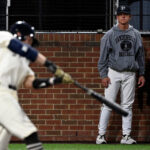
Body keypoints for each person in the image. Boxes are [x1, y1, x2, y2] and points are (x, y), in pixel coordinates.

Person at [0, 21, 73, 150]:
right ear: (19, 35)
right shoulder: (5, 36)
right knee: (29, 132)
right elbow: (20, 47)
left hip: (9, 96)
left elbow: (30, 83)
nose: (30, 42)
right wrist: (52, 67)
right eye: (29, 38)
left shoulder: (23, 61)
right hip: (2, 93)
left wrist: (57, 80)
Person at [96, 5, 145, 144]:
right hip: (113, 72)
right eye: (120, 14)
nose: (123, 16)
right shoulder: (110, 34)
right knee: (108, 104)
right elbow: (102, 58)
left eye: (126, 14)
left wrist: (141, 73)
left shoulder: (135, 34)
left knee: (127, 105)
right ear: (117, 17)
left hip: (130, 73)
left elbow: (140, 56)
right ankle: (100, 136)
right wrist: (103, 75)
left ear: (130, 17)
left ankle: (126, 136)